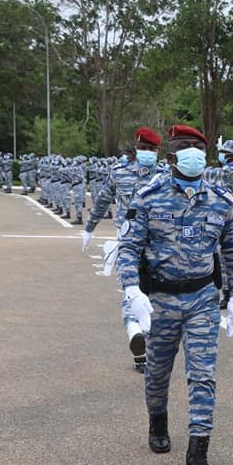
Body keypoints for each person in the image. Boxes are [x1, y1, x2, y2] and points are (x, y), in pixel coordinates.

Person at [115, 124, 233, 465]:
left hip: (202, 300)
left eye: (198, 149)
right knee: (157, 373)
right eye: (186, 148)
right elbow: (129, 247)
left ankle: (198, 453)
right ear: (171, 158)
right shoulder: (148, 197)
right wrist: (131, 289)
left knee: (203, 375)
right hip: (160, 300)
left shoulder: (220, 200)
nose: (194, 154)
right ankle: (157, 420)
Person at [83, 131, 165, 372]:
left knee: (150, 292)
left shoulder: (165, 175)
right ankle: (137, 336)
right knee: (132, 288)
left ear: (157, 151)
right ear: (136, 148)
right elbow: (102, 200)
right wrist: (89, 227)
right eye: (143, 147)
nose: (147, 152)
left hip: (157, 241)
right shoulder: (119, 173)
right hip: (130, 242)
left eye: (151, 148)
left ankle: (138, 334)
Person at [203, 138, 233, 309]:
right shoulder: (225, 169)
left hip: (227, 216)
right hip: (217, 214)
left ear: (231, 155)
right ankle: (225, 292)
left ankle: (229, 293)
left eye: (223, 153)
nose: (220, 155)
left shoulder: (231, 170)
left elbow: (208, 173)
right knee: (220, 258)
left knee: (227, 259)